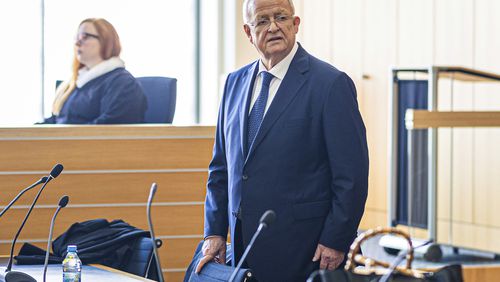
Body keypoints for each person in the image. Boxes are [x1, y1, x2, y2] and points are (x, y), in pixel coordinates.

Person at [196, 0, 369, 281]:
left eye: (281, 17)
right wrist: (214, 231)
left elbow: (351, 176)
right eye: (262, 21)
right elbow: (221, 168)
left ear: (295, 24)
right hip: (243, 245)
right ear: (248, 32)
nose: (274, 27)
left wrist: (336, 239)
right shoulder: (233, 83)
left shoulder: (330, 84)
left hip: (305, 247)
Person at [42, 18, 146, 124]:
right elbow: (56, 121)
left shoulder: (122, 83)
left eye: (84, 36)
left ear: (106, 41)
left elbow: (108, 129)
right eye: (76, 37)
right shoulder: (74, 84)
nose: (77, 43)